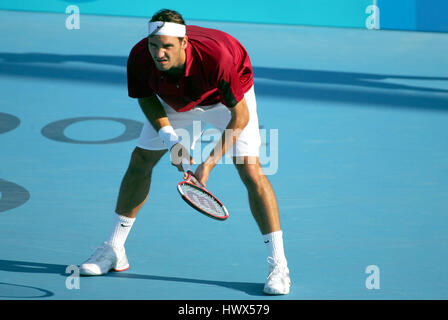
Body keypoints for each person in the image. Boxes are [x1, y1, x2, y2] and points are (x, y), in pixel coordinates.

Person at [79, 8, 290, 295]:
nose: (159, 53)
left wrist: (209, 163)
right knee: (140, 159)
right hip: (175, 101)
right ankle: (113, 248)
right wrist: (170, 140)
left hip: (225, 102)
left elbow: (239, 117)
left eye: (167, 46)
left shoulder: (219, 58)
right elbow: (146, 98)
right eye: (154, 45)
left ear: (184, 43)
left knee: (251, 170)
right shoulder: (140, 57)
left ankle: (278, 265)